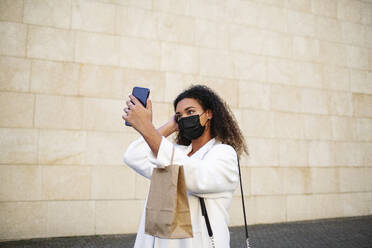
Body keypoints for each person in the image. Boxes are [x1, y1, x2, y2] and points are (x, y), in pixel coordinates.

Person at [122, 84, 248, 248]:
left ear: (208, 114)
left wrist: (146, 127)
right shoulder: (176, 151)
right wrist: (171, 126)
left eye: (190, 112)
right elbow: (133, 156)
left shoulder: (223, 154)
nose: (185, 118)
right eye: (179, 115)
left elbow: (196, 177)